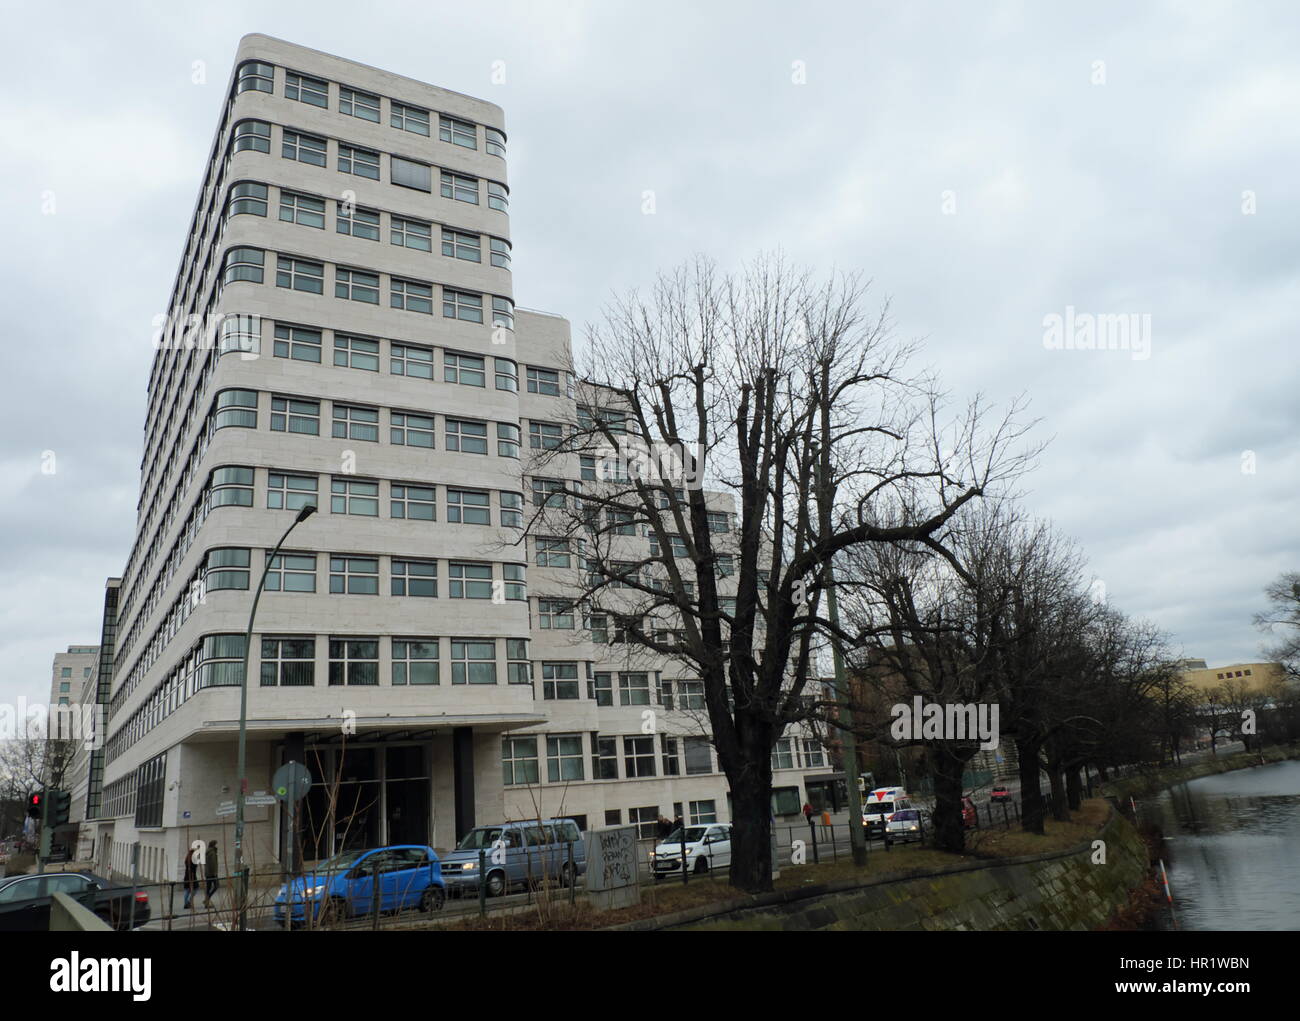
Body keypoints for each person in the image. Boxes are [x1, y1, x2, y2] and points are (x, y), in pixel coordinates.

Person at [183, 843, 200, 910]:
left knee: (187, 890)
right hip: (192, 875)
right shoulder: (193, 859)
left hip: (186, 875)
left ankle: (186, 903)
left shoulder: (187, 857)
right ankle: (188, 901)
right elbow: (195, 866)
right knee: (195, 889)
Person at [204, 840, 219, 908]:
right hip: (212, 873)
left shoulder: (207, 851)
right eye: (215, 844)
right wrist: (214, 873)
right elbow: (213, 864)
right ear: (213, 845)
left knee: (208, 887)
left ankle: (206, 903)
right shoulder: (212, 852)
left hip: (207, 873)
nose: (216, 846)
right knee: (216, 886)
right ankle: (207, 899)